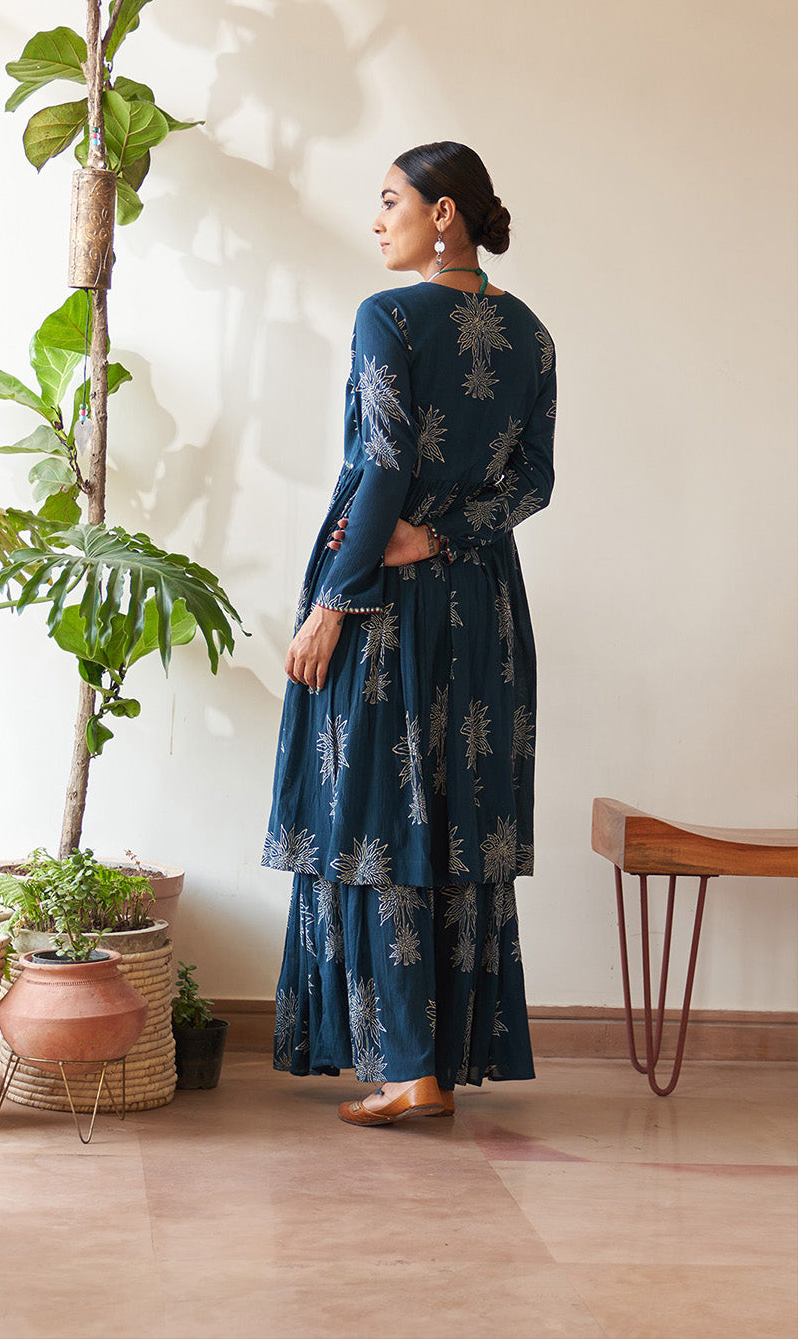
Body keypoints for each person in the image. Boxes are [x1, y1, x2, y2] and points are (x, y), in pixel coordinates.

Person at [261, 141, 556, 1125]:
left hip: (385, 606)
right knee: (455, 813)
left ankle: (406, 1070)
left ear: (443, 214)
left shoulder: (386, 315)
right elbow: (534, 484)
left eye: (391, 200)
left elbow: (384, 464)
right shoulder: (533, 335)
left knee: (376, 815)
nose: (377, 219)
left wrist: (331, 602)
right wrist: (447, 535)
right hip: (485, 608)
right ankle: (434, 1064)